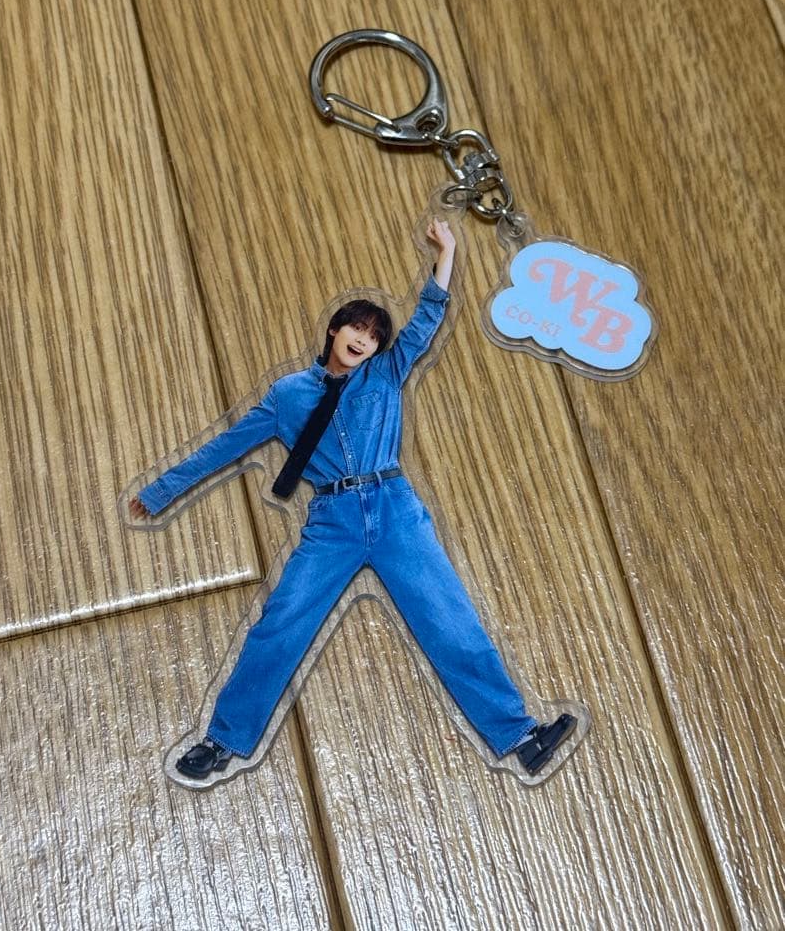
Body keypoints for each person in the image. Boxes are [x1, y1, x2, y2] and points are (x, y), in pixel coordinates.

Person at [130, 218, 576, 778]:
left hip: (394, 509)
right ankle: (222, 741)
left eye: (372, 335)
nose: (363, 339)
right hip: (332, 520)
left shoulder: (385, 374)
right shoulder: (288, 394)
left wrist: (447, 251)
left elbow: (427, 318)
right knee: (281, 622)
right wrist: (161, 490)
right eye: (356, 328)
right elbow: (227, 445)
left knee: (449, 618)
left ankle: (520, 736)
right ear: (335, 330)